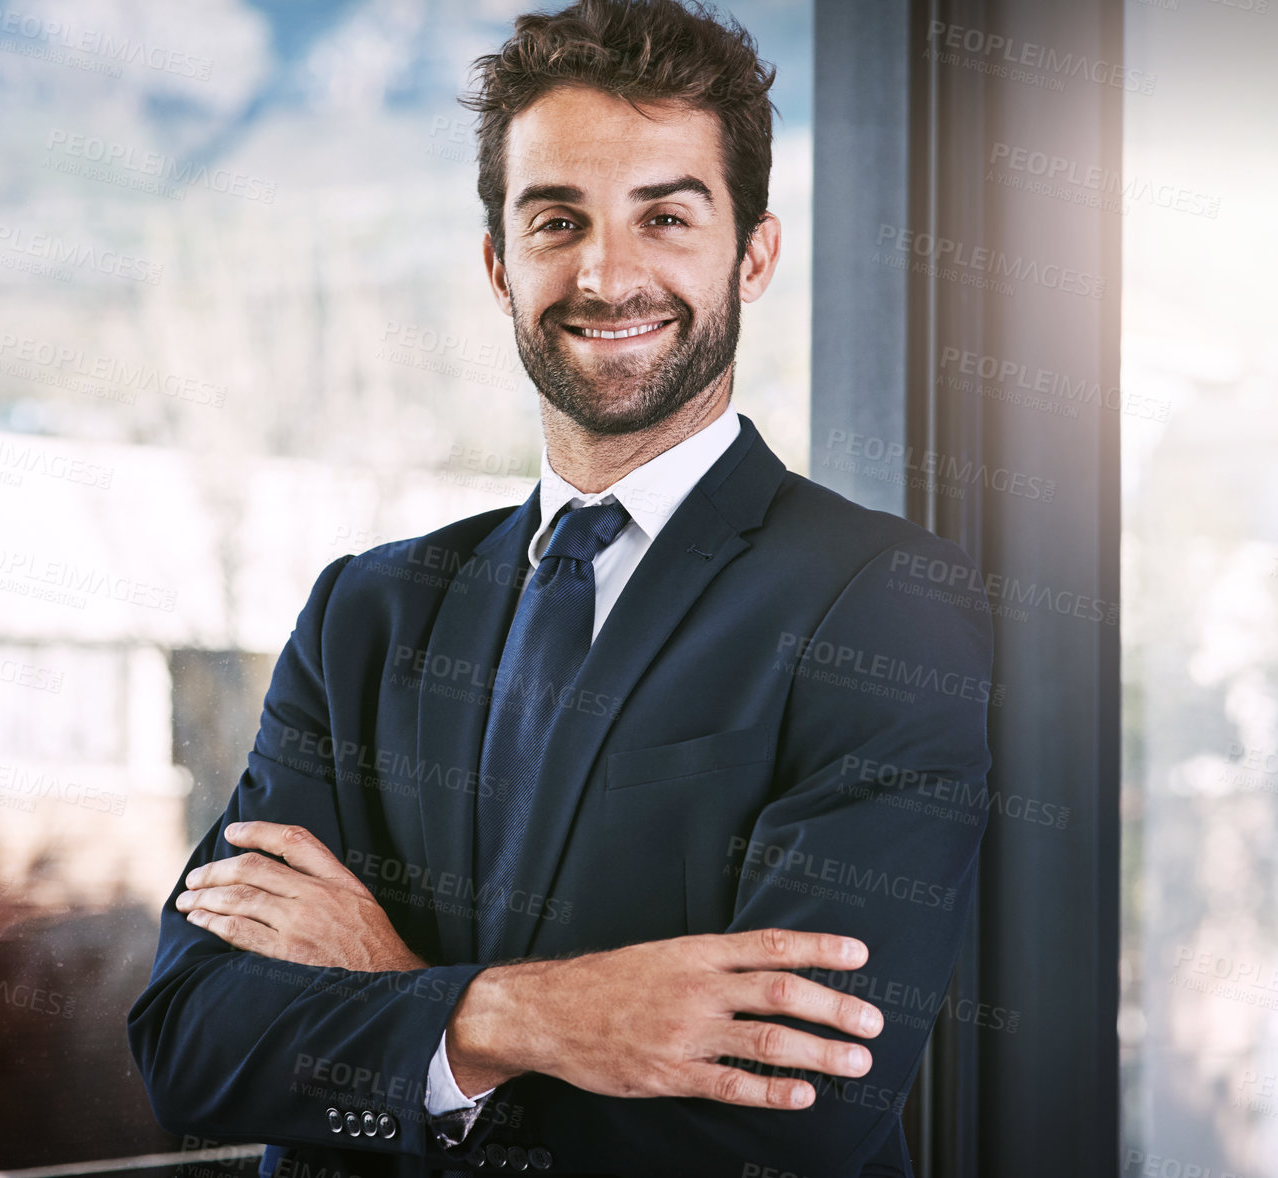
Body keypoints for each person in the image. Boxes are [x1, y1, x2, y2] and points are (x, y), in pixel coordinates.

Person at [128, 2, 993, 1174]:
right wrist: (533, 1019)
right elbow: (191, 1042)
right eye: (556, 219)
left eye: (665, 216)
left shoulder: (882, 603)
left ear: (753, 253)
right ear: (498, 264)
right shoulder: (363, 617)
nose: (605, 271)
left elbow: (780, 1113)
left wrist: (397, 991)